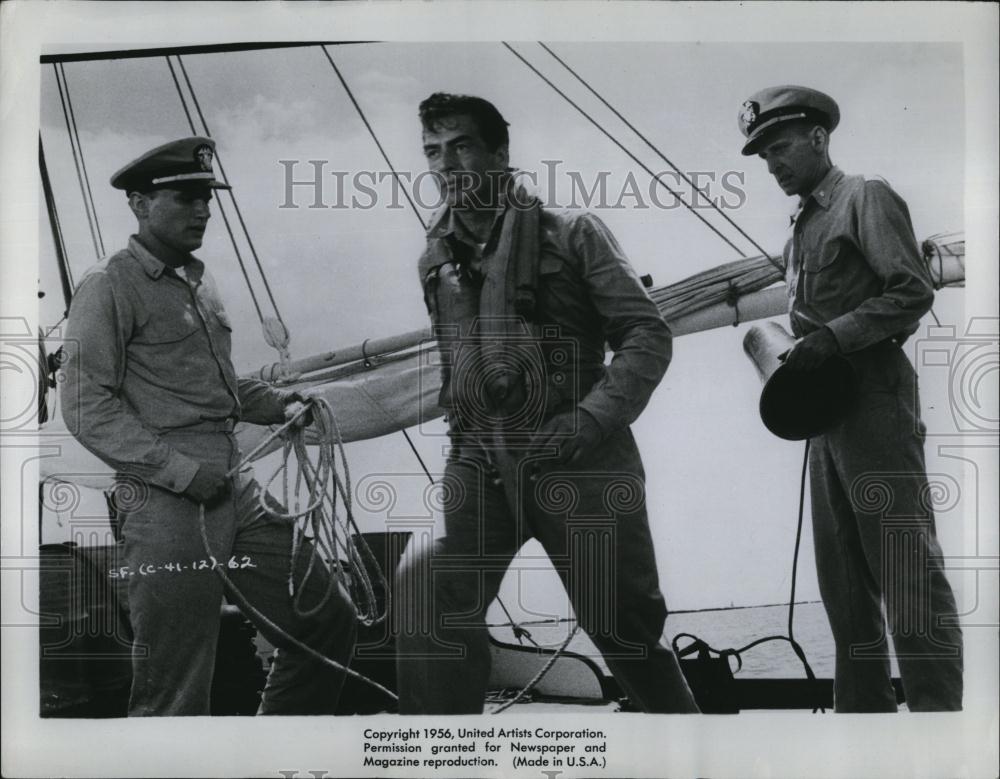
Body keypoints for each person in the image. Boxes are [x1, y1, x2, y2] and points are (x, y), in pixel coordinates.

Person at [394, 93, 699, 714]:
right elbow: (458, 366)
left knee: (623, 630)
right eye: (432, 151)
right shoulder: (434, 257)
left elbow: (646, 335)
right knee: (433, 600)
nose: (444, 164)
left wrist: (589, 420)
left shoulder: (574, 233)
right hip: (480, 459)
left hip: (580, 456)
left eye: (461, 146)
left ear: (500, 153)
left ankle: (689, 750)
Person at [61, 137, 356, 716]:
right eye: (186, 198)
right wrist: (179, 472)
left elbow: (216, 388)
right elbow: (83, 403)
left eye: (207, 198)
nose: (203, 210)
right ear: (140, 204)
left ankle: (277, 754)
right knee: (177, 681)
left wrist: (278, 403)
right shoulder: (108, 285)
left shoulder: (199, 280)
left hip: (233, 484)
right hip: (165, 497)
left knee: (326, 619)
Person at [739, 85, 963, 711]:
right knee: (841, 583)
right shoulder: (799, 229)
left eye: (780, 148)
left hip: (873, 400)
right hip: (823, 413)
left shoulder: (865, 196)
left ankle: (938, 726)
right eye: (763, 157)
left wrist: (833, 338)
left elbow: (912, 291)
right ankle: (863, 727)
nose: (773, 164)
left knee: (905, 570)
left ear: (818, 137)